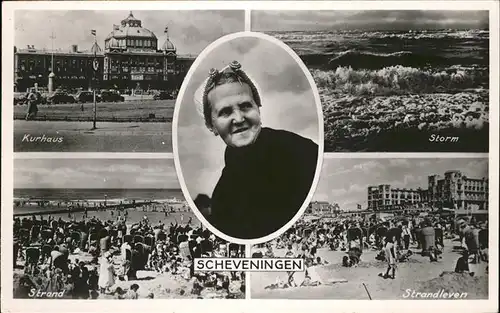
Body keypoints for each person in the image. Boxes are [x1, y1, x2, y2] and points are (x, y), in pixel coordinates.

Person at [197, 61, 318, 239]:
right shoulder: (223, 196)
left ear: (258, 108)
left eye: (246, 106)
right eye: (225, 112)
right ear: (211, 125)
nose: (238, 119)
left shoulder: (304, 153)